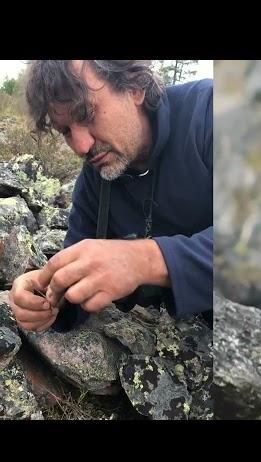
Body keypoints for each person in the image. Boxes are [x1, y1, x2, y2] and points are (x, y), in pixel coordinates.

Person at [7, 60, 213, 332]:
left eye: (87, 114)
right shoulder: (96, 180)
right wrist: (46, 295)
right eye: (66, 131)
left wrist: (145, 260)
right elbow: (77, 285)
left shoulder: (209, 114)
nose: (81, 146)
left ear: (136, 87)